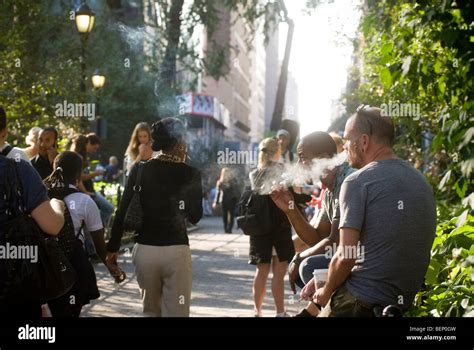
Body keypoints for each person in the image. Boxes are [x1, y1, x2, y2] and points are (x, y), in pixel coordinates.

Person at [311, 105, 436, 317]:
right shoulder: (421, 181)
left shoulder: (357, 182)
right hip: (401, 304)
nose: (345, 148)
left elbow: (346, 256)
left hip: (361, 303)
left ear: (364, 141)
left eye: (348, 140)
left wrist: (325, 290)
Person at [107, 117, 202, 317]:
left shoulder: (140, 170)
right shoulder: (190, 173)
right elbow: (195, 216)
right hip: (176, 251)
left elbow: (122, 210)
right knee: (177, 312)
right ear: (180, 141)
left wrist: (112, 248)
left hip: (145, 251)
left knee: (150, 311)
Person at [270, 131, 356, 316]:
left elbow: (333, 241)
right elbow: (318, 237)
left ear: (323, 158)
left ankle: (335, 309)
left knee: (308, 265)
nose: (299, 165)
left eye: (303, 158)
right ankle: (325, 309)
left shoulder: (347, 181)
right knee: (308, 264)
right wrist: (290, 210)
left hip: (362, 259)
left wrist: (299, 257)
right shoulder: (330, 187)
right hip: (350, 257)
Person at [0, 106, 65, 318]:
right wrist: (58, 206)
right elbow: (52, 225)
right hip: (12, 282)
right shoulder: (19, 168)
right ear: (4, 131)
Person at [43, 151, 125, 317]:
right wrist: (112, 268)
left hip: (45, 267)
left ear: (55, 168)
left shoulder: (42, 197)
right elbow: (99, 244)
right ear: (78, 174)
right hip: (73, 268)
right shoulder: (85, 202)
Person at [249, 138, 295, 317]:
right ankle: (280, 312)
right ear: (278, 152)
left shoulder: (254, 174)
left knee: (261, 271)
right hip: (280, 228)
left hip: (260, 229)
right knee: (278, 273)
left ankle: (257, 312)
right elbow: (292, 194)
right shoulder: (282, 171)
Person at [213, 168, 240, 233]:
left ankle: (227, 228)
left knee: (227, 215)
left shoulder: (222, 182)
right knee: (229, 215)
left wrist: (216, 202)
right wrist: (215, 202)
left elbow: (218, 193)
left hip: (227, 200)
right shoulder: (230, 181)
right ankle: (228, 228)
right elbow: (218, 192)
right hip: (229, 200)